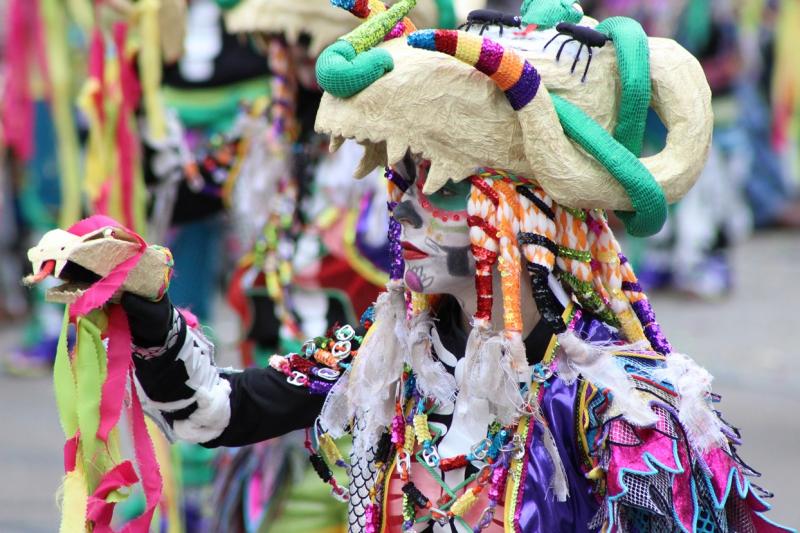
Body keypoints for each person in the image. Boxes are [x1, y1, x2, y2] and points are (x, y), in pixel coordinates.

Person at [121, 2, 791, 531]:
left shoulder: (621, 407)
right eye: (402, 183)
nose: (403, 211)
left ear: (521, 219)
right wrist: (147, 305)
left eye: (436, 185)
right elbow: (213, 410)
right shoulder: (384, 359)